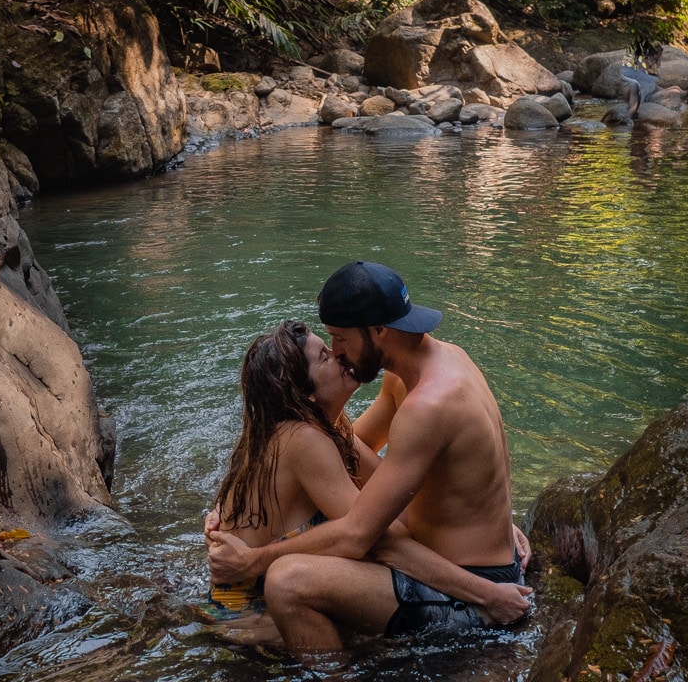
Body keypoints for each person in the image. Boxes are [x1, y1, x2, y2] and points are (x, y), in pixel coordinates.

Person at [206, 262, 532, 654]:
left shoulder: (428, 406)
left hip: (469, 589)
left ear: (379, 331)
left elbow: (363, 535)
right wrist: (233, 507)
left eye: (340, 339)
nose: (338, 353)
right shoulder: (432, 364)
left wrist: (254, 558)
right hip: (469, 559)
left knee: (287, 580)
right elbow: (347, 445)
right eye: (328, 346)